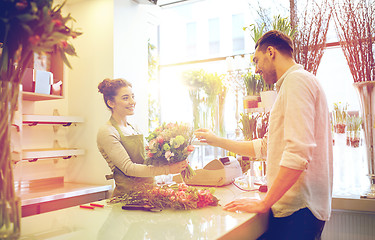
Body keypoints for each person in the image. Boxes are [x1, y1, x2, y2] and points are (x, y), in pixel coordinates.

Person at [195, 30, 333, 240]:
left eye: (256, 60)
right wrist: (216, 140)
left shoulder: (297, 81)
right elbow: (266, 147)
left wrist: (264, 203)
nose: (256, 69)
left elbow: (298, 153)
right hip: (298, 210)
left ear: (271, 52)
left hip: (300, 211)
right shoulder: (293, 84)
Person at [97, 78, 187, 197]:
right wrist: (168, 170)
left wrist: (173, 157)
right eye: (125, 98)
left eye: (132, 96)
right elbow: (129, 168)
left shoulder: (134, 128)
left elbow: (148, 160)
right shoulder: (107, 131)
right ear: (111, 103)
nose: (132, 101)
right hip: (127, 200)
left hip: (150, 195)